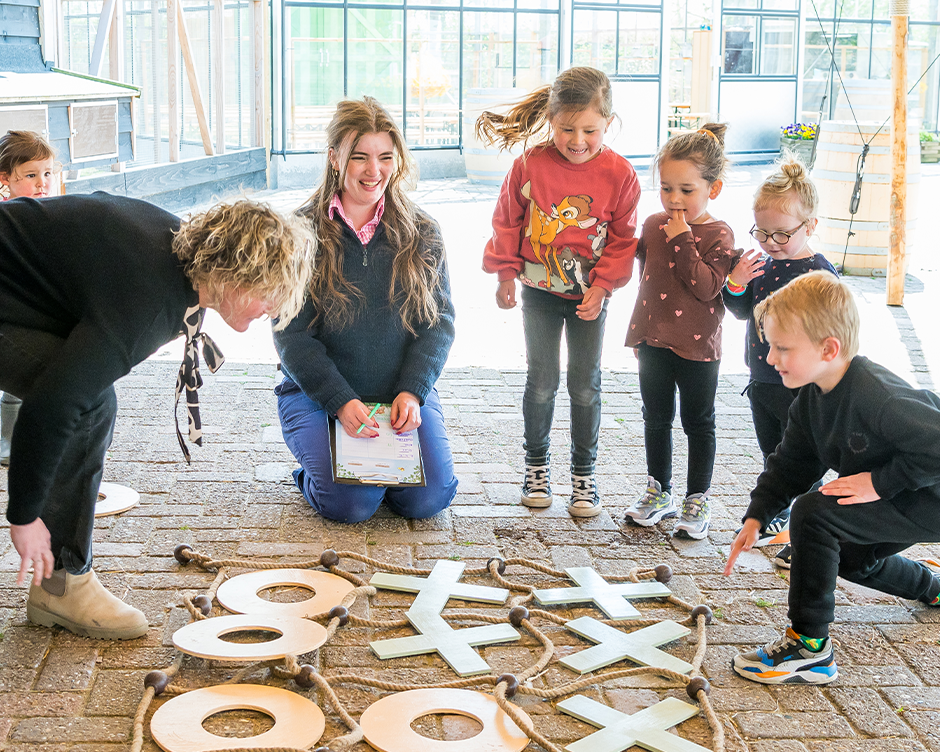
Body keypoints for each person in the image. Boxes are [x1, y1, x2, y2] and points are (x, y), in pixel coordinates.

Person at [0, 195, 314, 639]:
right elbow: (55, 405)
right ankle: (63, 585)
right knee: (91, 405)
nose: (272, 309)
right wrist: (25, 514)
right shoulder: (145, 298)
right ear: (232, 273)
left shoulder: (185, 254)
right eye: (268, 292)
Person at [723, 272, 940, 685]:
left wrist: (878, 483)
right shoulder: (810, 397)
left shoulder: (879, 393)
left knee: (813, 513)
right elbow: (791, 463)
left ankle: (809, 647)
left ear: (829, 348)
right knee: (853, 560)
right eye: (770, 346)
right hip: (901, 495)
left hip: (938, 500)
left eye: (783, 348)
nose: (771, 358)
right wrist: (756, 516)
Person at [273, 97, 457, 524]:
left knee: (427, 501)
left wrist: (413, 391)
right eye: (360, 157)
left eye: (385, 158)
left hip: (399, 395)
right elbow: (291, 335)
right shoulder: (300, 232)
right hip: (319, 396)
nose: (374, 171)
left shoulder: (424, 232)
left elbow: (439, 325)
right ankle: (321, 474)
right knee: (350, 506)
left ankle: (381, 475)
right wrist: (338, 401)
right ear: (335, 158)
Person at [478, 66, 639, 517]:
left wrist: (604, 285)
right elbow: (507, 220)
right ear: (551, 120)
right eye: (566, 128)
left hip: (590, 297)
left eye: (589, 129)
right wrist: (505, 273)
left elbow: (625, 239)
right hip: (539, 292)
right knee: (542, 380)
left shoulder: (621, 174)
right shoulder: (529, 165)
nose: (577, 139)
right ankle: (536, 467)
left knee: (585, 385)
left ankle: (584, 476)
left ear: (608, 122)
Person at [623, 123, 748, 539]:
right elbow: (640, 271)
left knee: (699, 421)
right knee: (655, 418)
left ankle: (697, 497)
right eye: (666, 188)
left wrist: (682, 240)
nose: (674, 200)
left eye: (686, 190)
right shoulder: (654, 224)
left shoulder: (719, 233)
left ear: (713, 189)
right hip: (653, 339)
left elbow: (708, 287)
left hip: (698, 348)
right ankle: (660, 490)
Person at [723, 157, 837, 565]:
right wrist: (735, 281)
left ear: (810, 226)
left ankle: (811, 531)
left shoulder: (819, 271)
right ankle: (780, 514)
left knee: (804, 461)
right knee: (773, 454)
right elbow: (738, 309)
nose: (770, 241)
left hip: (802, 386)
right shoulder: (761, 267)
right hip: (762, 380)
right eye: (762, 232)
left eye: (782, 233)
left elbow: (833, 327)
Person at [0, 130, 60, 466]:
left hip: (46, 303)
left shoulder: (57, 210)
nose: (42, 183)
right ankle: (10, 440)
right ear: (5, 178)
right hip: (11, 305)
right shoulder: (1, 217)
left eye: (47, 174)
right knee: (14, 379)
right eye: (31, 175)